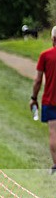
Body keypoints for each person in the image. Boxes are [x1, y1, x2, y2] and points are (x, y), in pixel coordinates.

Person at [31, 25, 56, 174]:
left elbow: (38, 80)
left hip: (50, 100)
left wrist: (33, 97)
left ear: (53, 38)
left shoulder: (45, 56)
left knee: (53, 132)